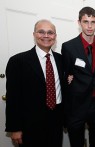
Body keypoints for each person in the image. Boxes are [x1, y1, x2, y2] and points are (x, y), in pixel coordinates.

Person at [5, 19, 64, 147]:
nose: (46, 36)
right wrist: (15, 128)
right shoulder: (18, 61)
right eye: (41, 32)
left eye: (50, 32)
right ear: (34, 34)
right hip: (30, 124)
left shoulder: (61, 60)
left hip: (56, 120)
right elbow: (13, 98)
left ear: (55, 36)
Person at [61, 6, 95, 147]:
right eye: (85, 21)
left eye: (93, 22)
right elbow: (65, 72)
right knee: (76, 142)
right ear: (79, 23)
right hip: (76, 104)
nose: (89, 26)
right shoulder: (68, 46)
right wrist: (68, 78)